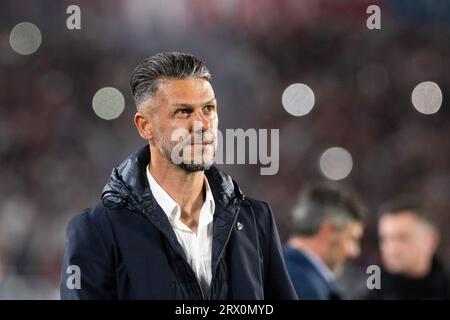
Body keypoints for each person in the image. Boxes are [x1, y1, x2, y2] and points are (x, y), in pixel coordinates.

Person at [59, 52, 297, 300]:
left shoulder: (256, 221)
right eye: (183, 112)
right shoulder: (96, 230)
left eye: (209, 108)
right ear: (145, 126)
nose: (202, 124)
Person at [283, 182, 365, 299]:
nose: (354, 252)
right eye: (351, 239)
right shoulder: (307, 288)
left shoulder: (270, 268)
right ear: (328, 230)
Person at [364, 197, 450, 299]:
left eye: (402, 238)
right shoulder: (371, 293)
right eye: (385, 239)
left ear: (431, 241)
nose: (391, 248)